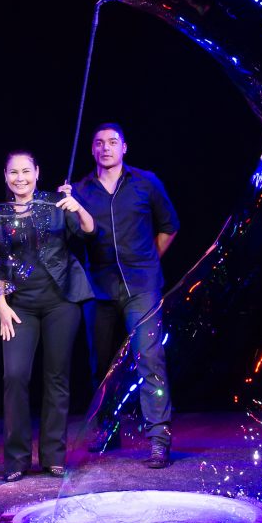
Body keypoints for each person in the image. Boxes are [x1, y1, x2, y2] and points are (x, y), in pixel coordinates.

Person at [64, 123, 179, 468]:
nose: (106, 148)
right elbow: (74, 237)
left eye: (113, 142)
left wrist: (147, 263)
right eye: (99, 143)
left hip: (142, 287)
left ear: (124, 147)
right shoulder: (81, 190)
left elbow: (169, 226)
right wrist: (65, 205)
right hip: (99, 288)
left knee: (150, 359)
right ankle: (107, 430)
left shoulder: (146, 182)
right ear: (92, 150)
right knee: (102, 364)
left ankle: (158, 438)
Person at [0, 151, 94, 483]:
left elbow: (89, 231)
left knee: (56, 378)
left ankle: (53, 457)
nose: (20, 178)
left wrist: (77, 205)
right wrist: (0, 303)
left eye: (26, 171)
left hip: (61, 301)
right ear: (5, 176)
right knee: (15, 377)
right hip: (19, 305)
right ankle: (17, 460)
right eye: (13, 172)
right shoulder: (1, 214)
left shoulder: (56, 203)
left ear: (37, 172)